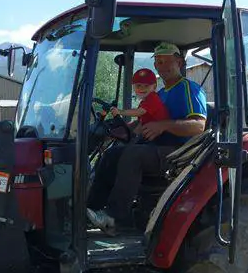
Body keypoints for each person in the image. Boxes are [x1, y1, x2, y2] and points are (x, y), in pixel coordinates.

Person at [86, 42, 208, 233]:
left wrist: (163, 126)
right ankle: (90, 210)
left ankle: (115, 217)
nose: (163, 65)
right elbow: (143, 122)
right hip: (156, 149)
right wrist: (120, 129)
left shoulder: (190, 89)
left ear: (180, 62)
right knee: (112, 155)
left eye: (169, 61)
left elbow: (199, 126)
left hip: (180, 154)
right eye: (159, 61)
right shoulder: (159, 94)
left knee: (134, 155)